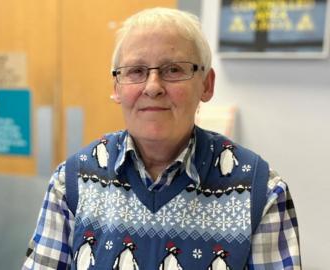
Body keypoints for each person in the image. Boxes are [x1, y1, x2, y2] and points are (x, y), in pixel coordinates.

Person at [23, 7, 301, 270]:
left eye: (173, 70)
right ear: (117, 88)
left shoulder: (260, 191)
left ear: (206, 84)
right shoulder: (71, 182)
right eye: (136, 71)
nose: (153, 87)